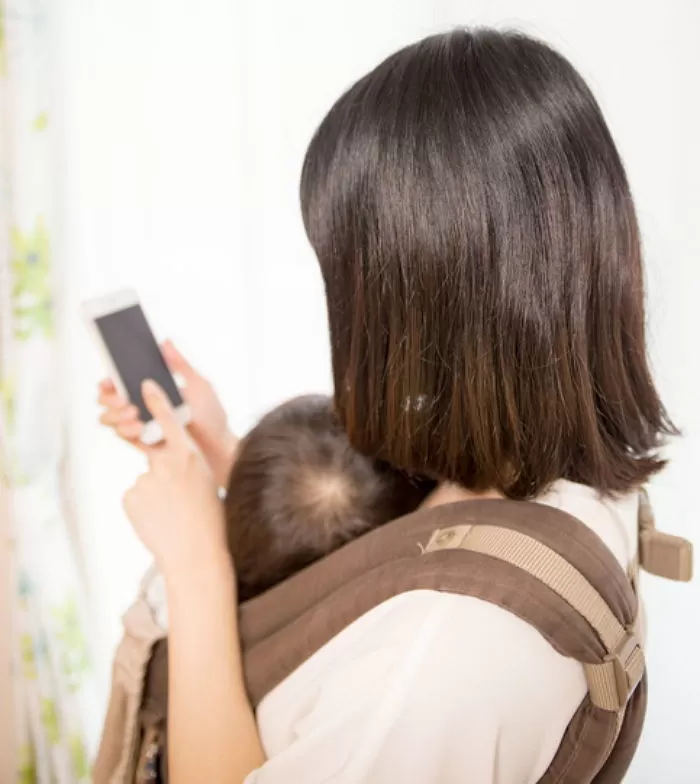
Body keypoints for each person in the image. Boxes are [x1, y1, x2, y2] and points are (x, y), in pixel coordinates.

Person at [98, 28, 676, 783]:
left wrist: (196, 565)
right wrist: (229, 454)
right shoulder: (559, 477)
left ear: (422, 304)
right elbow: (392, 558)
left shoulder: (446, 655)